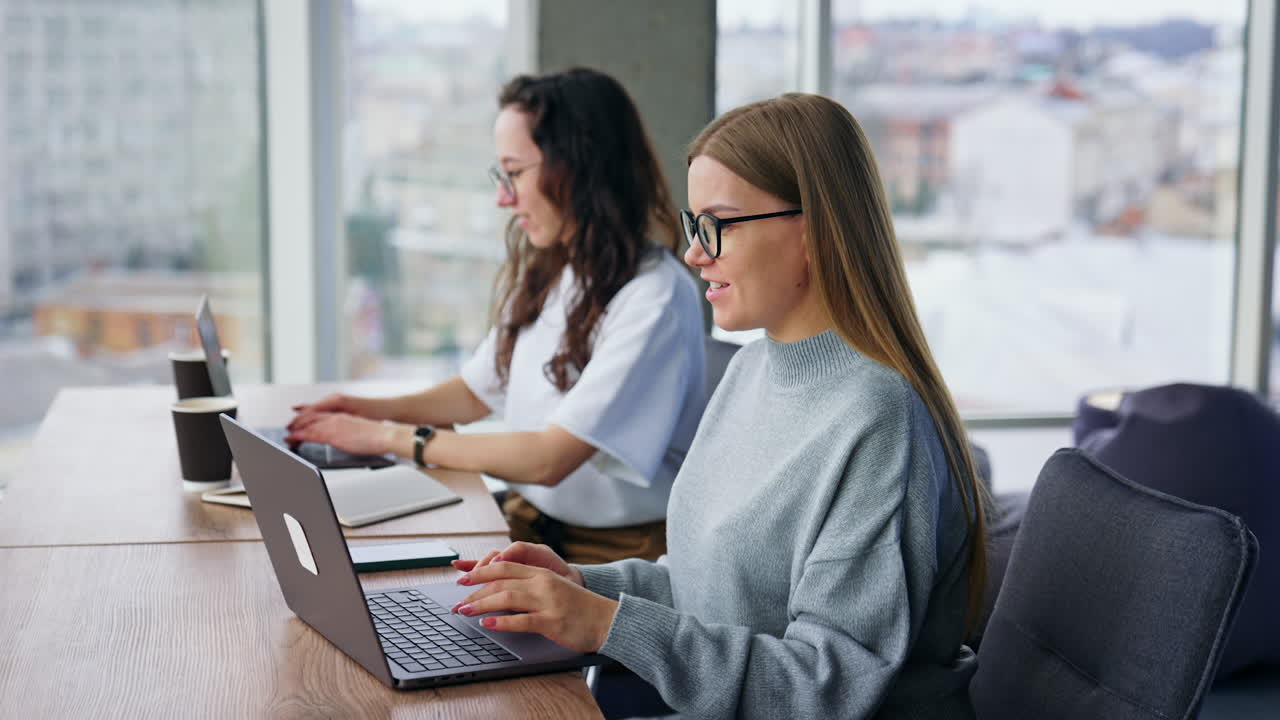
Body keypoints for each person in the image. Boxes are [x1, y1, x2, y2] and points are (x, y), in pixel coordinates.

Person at [448, 93, 991, 719]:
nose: (694, 254)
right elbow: (711, 590)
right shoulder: (751, 369)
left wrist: (606, 626)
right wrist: (581, 588)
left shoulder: (878, 418)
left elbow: (828, 688)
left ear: (815, 231)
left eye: (718, 225)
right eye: (692, 225)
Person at [288, 68, 707, 565]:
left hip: (616, 554)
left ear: (577, 168)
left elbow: (549, 459)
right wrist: (368, 410)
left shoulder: (653, 298)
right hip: (531, 523)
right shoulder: (558, 268)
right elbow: (473, 393)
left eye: (515, 173)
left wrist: (385, 437)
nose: (502, 198)